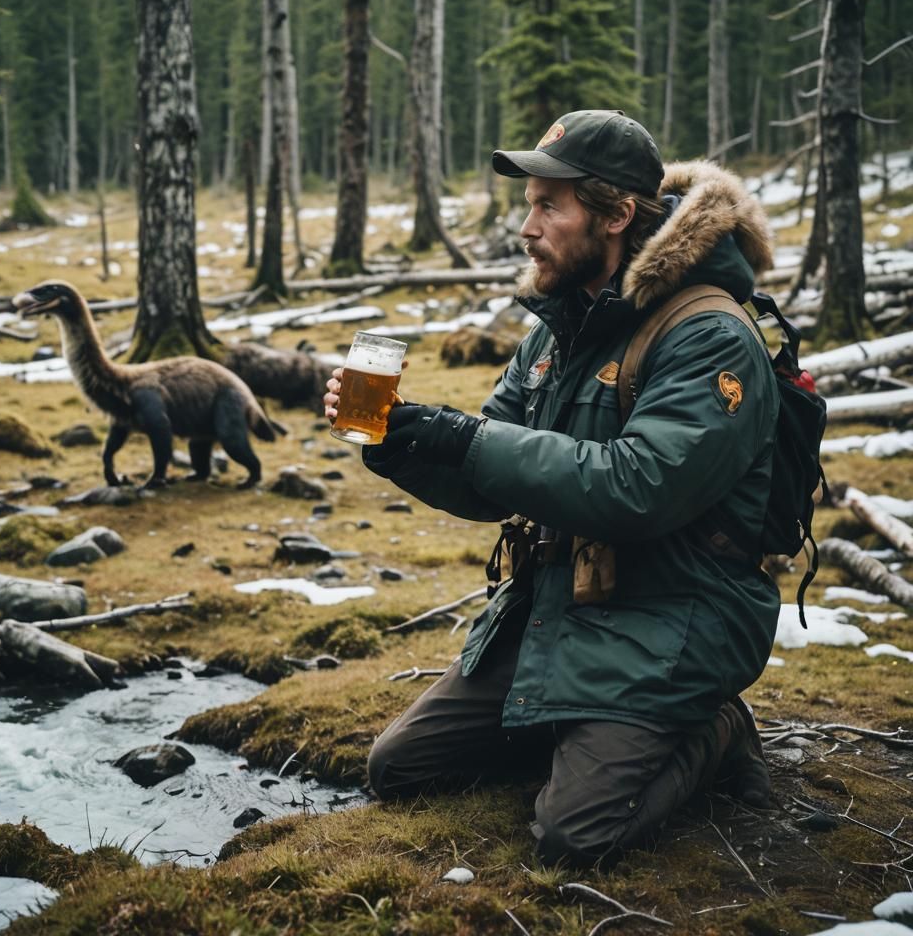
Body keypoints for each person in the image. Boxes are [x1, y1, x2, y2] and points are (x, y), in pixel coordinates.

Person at [323, 109, 780, 867]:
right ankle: (583, 728)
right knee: (398, 770)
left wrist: (465, 437)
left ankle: (715, 726)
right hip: (561, 605)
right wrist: (398, 442)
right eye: (526, 204)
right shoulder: (555, 329)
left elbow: (639, 488)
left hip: (674, 613)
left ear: (616, 216)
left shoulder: (709, 335)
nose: (526, 228)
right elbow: (488, 480)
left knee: (574, 836)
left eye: (548, 206)